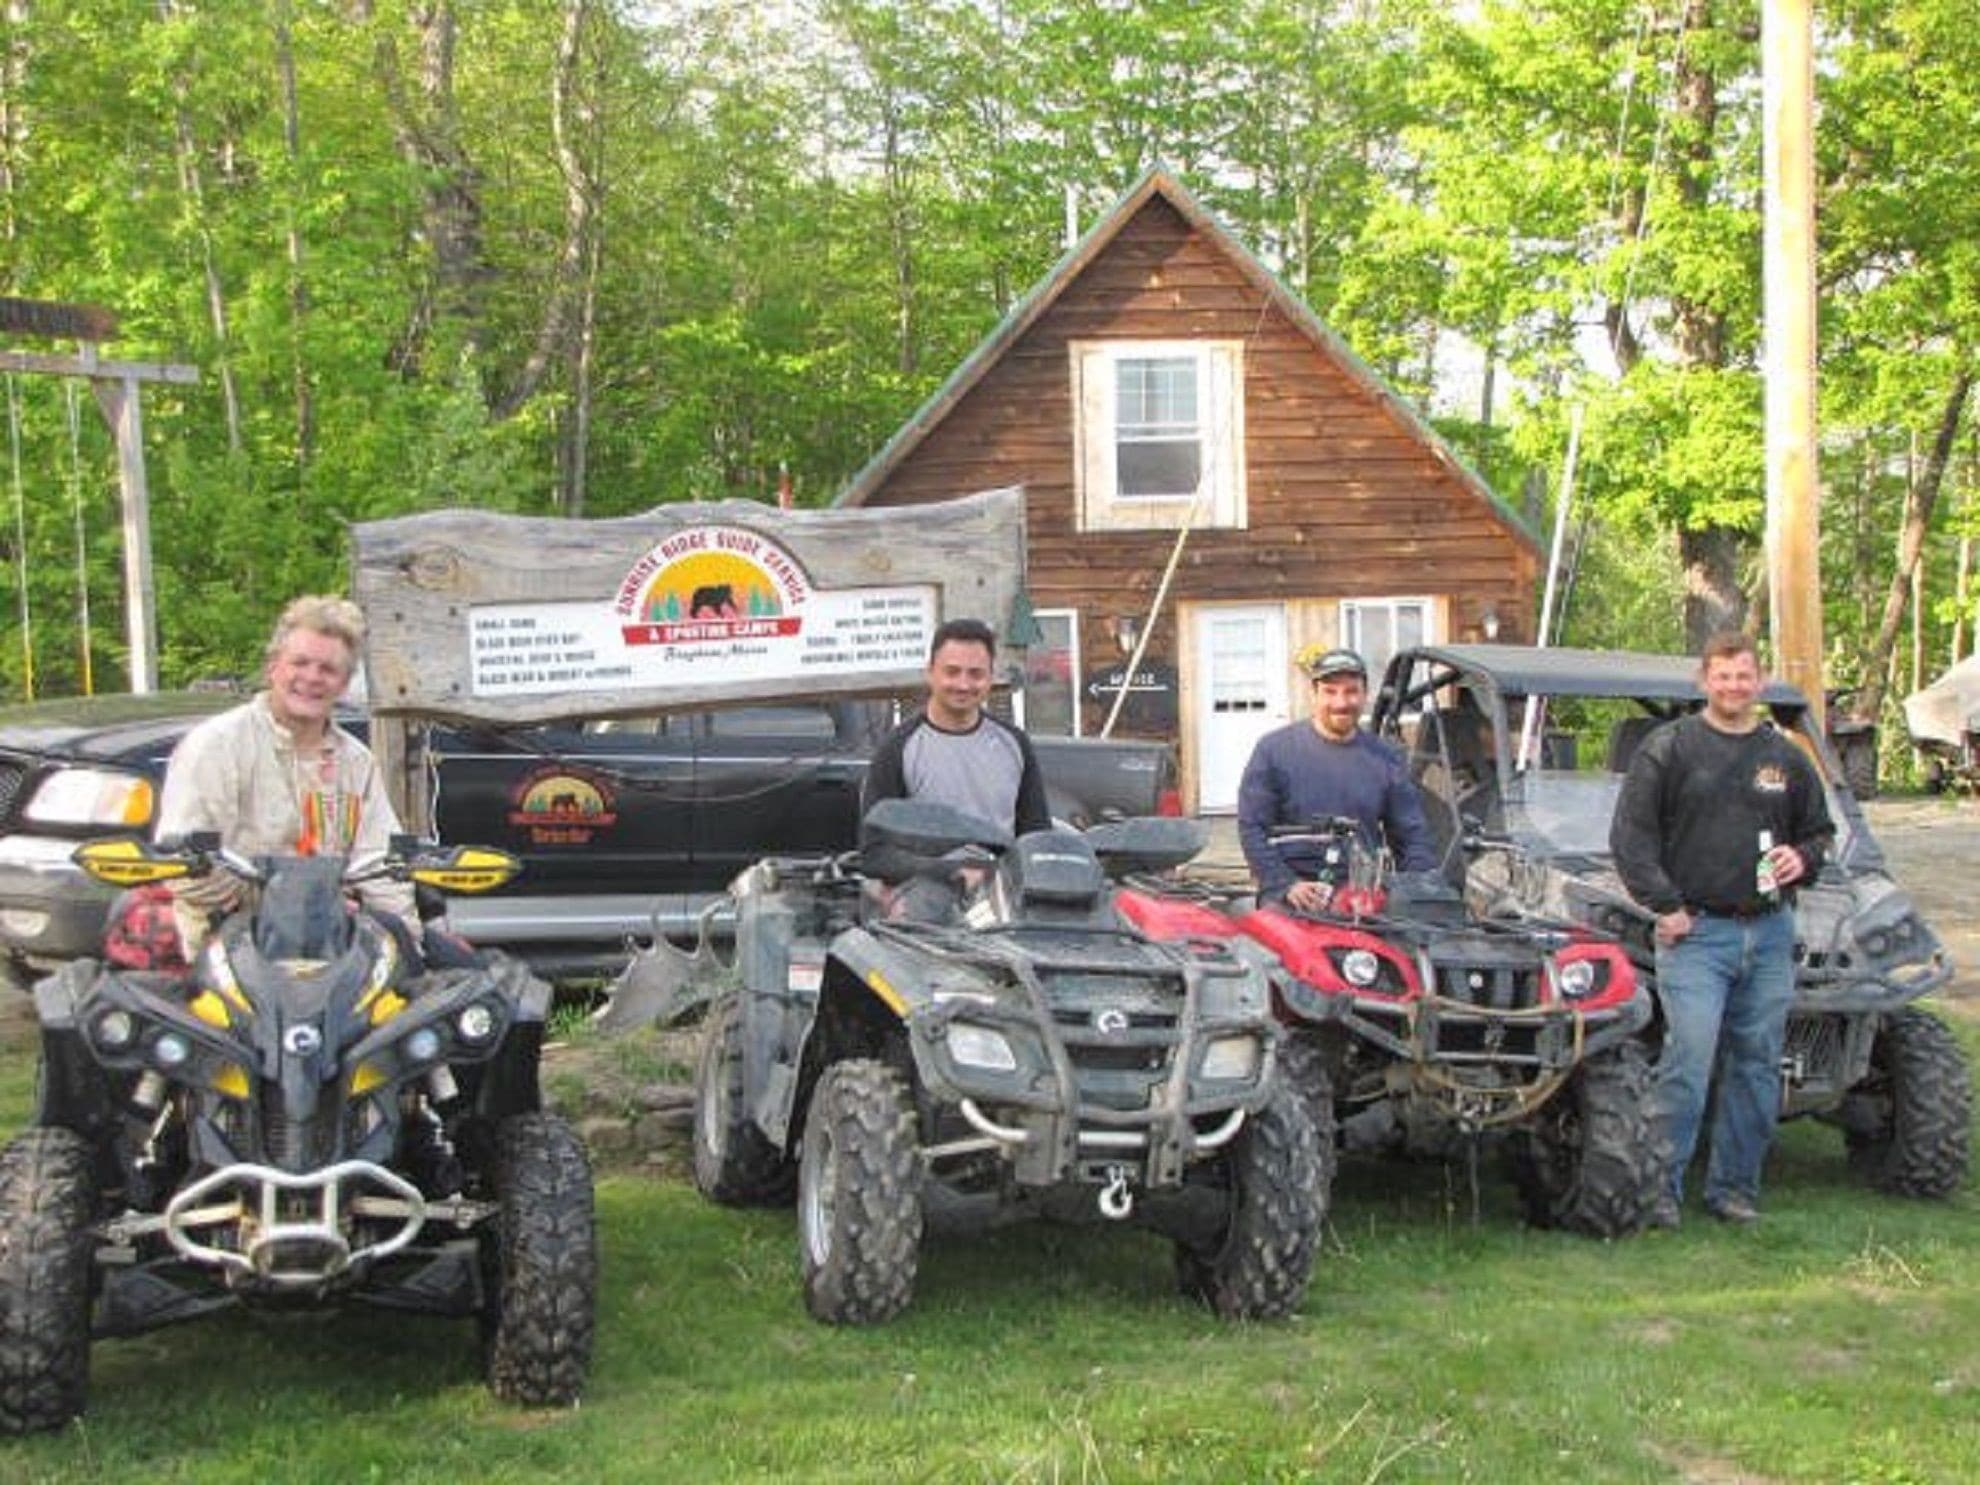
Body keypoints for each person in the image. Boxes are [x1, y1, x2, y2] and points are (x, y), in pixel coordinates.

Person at [1610, 630, 1835, 1227]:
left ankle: (1735, 1189)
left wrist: (1803, 859)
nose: (1734, 686)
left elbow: (1819, 832)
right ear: (1703, 681)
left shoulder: (1783, 757)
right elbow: (1631, 839)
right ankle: (1659, 1188)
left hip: (1768, 932)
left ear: (1759, 682)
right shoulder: (1671, 748)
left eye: (1744, 675)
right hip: (1696, 936)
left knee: (1758, 1064)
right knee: (1687, 1061)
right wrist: (1665, 905)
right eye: (1723, 675)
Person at [154, 594, 419, 958]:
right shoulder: (215, 746)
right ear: (273, 667)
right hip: (228, 946)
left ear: (344, 684)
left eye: (328, 669)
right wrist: (284, 906)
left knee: (464, 981)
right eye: (300, 663)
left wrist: (406, 949)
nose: (312, 678)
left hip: (335, 943)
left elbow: (385, 868)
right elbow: (184, 868)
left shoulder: (357, 763)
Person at [1236, 645, 1437, 911]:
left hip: (1359, 895)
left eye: (1351, 691)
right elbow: (1252, 828)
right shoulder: (1273, 751)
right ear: (1313, 694)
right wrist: (1284, 884)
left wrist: (1412, 889)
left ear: (1365, 694)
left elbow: (1412, 836)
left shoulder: (1385, 759)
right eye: (1330, 692)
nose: (1341, 703)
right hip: (1291, 893)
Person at [863, 616, 1052, 837]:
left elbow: (1037, 836)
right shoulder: (897, 748)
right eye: (952, 672)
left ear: (991, 677)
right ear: (930, 672)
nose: (963, 685)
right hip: (928, 872)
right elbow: (875, 851)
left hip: (1002, 871)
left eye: (976, 674)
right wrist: (950, 870)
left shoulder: (1015, 744)